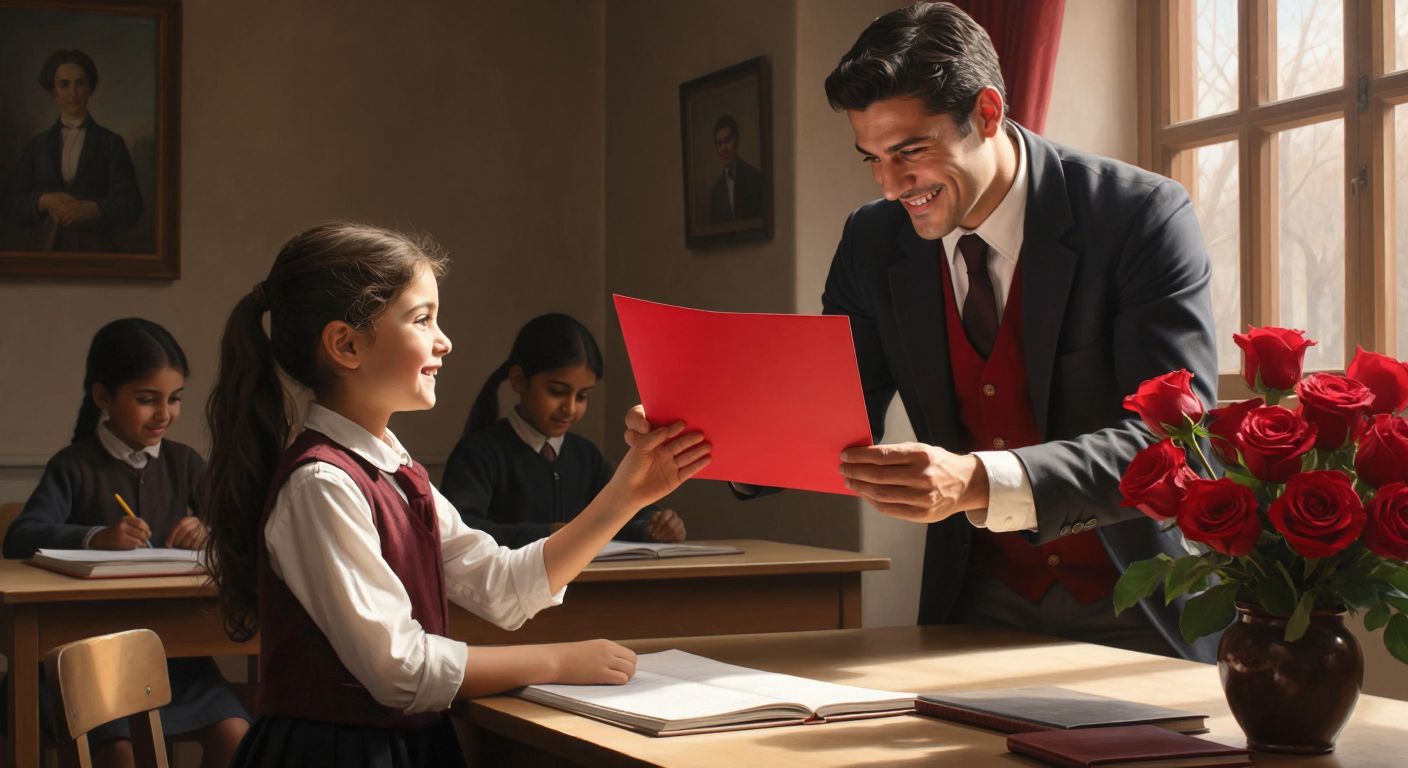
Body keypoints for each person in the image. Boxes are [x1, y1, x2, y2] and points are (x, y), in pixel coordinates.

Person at [632, 1, 1219, 662]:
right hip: (973, 610)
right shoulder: (871, 242)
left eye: (910, 152)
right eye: (871, 159)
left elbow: (1175, 448)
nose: (890, 186)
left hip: (1141, 609)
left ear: (989, 113)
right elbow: (828, 413)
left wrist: (976, 482)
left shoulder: (1138, 217)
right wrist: (700, 426)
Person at [203, 222, 710, 767]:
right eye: (423, 319)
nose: (445, 341)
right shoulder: (321, 486)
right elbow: (402, 670)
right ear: (346, 345)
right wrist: (558, 661)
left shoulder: (397, 472)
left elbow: (504, 586)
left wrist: (628, 495)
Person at [2, 318, 249, 768]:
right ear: (103, 398)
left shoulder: (186, 463)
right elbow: (20, 536)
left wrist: (212, 531)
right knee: (120, 753)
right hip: (87, 660)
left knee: (238, 738)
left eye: (174, 400)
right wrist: (97, 537)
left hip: (173, 658)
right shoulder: (74, 466)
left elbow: (245, 529)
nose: (164, 414)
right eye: (146, 400)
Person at [441, 313, 688, 547]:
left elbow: (616, 519)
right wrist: (549, 535)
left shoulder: (586, 457)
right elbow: (459, 533)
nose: (570, 409)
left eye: (582, 396)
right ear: (518, 380)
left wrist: (653, 526)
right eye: (557, 392)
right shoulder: (479, 453)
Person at [4, 49, 143, 252]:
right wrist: (42, 201)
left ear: (90, 88)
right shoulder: (36, 146)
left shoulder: (111, 143)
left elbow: (131, 206)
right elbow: (11, 205)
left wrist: (95, 210)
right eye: (64, 85)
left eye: (80, 83)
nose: (73, 93)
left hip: (95, 253)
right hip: (42, 252)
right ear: (53, 91)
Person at [708, 114, 764, 223]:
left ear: (737, 141)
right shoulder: (716, 191)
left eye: (728, 141)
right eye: (720, 143)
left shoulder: (755, 178)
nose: (724, 148)